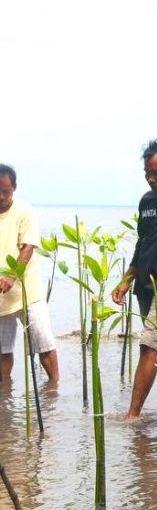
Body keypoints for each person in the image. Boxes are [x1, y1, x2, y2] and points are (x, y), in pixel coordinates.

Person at [112, 138, 157, 420]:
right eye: (148, 174)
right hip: (145, 285)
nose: (151, 179)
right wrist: (126, 278)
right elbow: (143, 242)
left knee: (149, 346)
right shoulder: (147, 200)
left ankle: (132, 417)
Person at [0, 163, 59, 384]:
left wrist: (11, 277)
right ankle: (4, 401)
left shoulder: (24, 211)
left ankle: (53, 391)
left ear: (14, 187)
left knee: (43, 345)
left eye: (5, 190)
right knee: (2, 352)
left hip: (28, 291)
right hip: (1, 297)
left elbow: (27, 247)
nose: (1, 196)